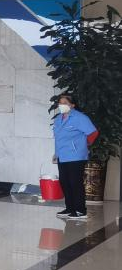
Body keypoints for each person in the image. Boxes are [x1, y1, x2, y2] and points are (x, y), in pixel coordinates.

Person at [52, 92, 98, 221]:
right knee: (65, 182)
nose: (61, 105)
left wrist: (82, 145)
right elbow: (59, 138)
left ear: (72, 105)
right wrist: (56, 154)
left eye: (65, 103)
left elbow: (93, 133)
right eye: (60, 103)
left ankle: (80, 210)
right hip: (62, 156)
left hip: (76, 156)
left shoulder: (80, 118)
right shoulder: (58, 119)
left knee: (75, 183)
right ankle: (70, 208)